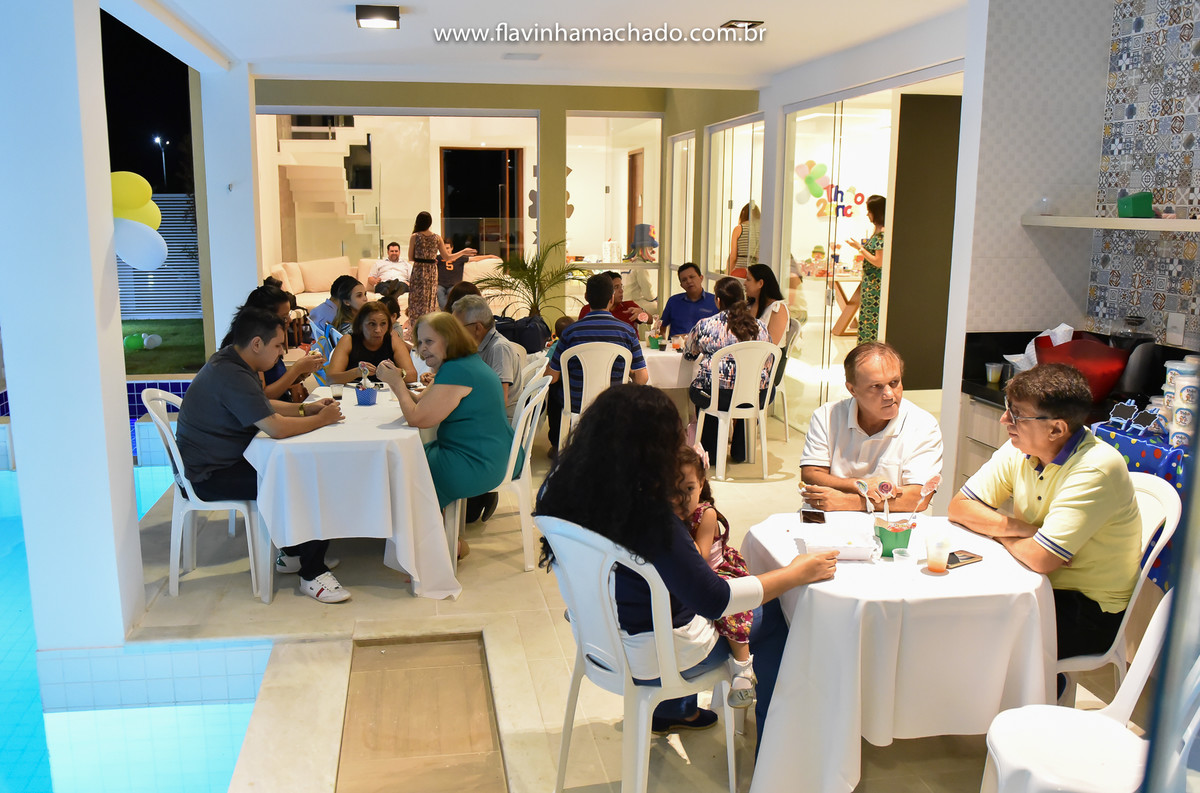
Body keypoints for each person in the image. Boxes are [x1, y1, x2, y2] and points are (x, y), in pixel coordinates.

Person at [536, 385, 838, 742]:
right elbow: (714, 599)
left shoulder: (560, 492)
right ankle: (777, 741)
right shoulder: (650, 518)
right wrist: (795, 573)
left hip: (598, 640)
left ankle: (675, 711)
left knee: (676, 594)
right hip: (656, 657)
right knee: (772, 613)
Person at [947, 364, 1142, 662]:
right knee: (954, 609)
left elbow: (1042, 559)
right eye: (1008, 409)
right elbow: (960, 507)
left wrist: (1000, 535)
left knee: (976, 635)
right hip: (1035, 583)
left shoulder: (1095, 468)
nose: (1004, 420)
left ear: (1056, 429)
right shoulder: (1021, 449)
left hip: (1088, 608)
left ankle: (1041, 689)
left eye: (1017, 415)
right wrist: (1023, 530)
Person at [175, 308, 349, 603]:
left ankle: (294, 554)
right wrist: (321, 420)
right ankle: (312, 574)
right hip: (210, 476)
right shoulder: (231, 374)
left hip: (220, 463)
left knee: (300, 470)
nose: (282, 353)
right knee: (309, 480)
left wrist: (307, 409)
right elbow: (276, 427)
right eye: (278, 346)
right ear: (257, 343)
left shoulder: (231, 362)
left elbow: (261, 405)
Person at [376, 312, 513, 558]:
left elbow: (418, 418)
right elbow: (424, 403)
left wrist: (396, 383)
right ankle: (434, 537)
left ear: (450, 339)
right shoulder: (462, 363)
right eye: (420, 342)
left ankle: (439, 546)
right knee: (409, 460)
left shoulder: (458, 371)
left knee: (407, 468)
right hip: (492, 451)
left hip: (477, 462)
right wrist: (401, 383)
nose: (422, 349)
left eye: (429, 341)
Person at [799, 342, 943, 511]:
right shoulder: (827, 416)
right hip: (826, 515)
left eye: (894, 382)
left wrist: (847, 501)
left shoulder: (923, 425)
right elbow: (811, 474)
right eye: (876, 386)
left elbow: (918, 498)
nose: (889, 394)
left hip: (892, 523)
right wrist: (861, 485)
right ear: (852, 390)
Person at [676, 445, 756, 706]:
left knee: (730, 611)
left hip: (717, 570)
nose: (683, 498)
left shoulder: (706, 514)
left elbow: (699, 557)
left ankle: (743, 669)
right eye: (674, 490)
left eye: (689, 488)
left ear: (701, 485)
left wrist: (677, 530)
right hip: (693, 575)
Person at [546, 273, 648, 457]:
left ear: (586, 298)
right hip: (614, 401)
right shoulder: (627, 332)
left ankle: (557, 445)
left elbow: (552, 377)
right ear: (611, 298)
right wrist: (629, 372)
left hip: (576, 402)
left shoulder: (570, 332)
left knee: (554, 389)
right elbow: (642, 379)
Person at [683, 276, 772, 467]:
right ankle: (742, 449)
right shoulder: (760, 327)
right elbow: (768, 361)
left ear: (718, 300)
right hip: (755, 396)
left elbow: (689, 354)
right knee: (753, 390)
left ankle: (711, 451)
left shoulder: (706, 325)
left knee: (702, 391)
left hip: (717, 396)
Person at [220, 283, 324, 402]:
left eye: (289, 314)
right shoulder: (250, 347)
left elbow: (277, 380)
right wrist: (296, 369)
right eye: (284, 317)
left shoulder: (268, 339)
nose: (289, 320)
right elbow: (262, 397)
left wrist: (301, 373)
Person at [452, 294, 527, 419]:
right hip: (485, 413)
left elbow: (500, 402)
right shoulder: (479, 345)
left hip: (500, 421)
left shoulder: (499, 348)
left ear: (477, 328)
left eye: (458, 328)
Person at [408, 212, 474, 328]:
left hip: (419, 271)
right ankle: (427, 326)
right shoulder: (437, 238)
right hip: (431, 271)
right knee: (429, 301)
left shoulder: (415, 236)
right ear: (430, 223)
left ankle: (415, 327)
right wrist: (462, 252)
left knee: (416, 301)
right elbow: (447, 257)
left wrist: (423, 258)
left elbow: (410, 257)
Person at [327, 300, 417, 385]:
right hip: (355, 393)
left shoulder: (393, 340)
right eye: (372, 324)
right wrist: (356, 372)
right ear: (360, 325)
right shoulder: (348, 340)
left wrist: (396, 372)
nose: (378, 330)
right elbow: (330, 379)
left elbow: (413, 376)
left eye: (383, 324)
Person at [845, 194, 885, 344]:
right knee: (867, 320)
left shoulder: (882, 234)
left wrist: (859, 248)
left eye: (869, 211)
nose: (868, 215)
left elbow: (878, 261)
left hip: (875, 285)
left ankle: (869, 349)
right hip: (870, 284)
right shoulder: (878, 232)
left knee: (870, 321)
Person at [659, 263, 718, 338]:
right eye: (684, 280)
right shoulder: (673, 301)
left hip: (705, 344)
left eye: (692, 277)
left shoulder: (715, 301)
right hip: (675, 344)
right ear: (681, 285)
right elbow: (662, 327)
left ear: (701, 278)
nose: (689, 281)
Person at [578, 271, 645, 328]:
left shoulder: (629, 307)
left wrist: (642, 313)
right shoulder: (587, 309)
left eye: (621, 287)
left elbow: (648, 320)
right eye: (616, 287)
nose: (621, 291)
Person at [745, 263, 789, 346]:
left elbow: (771, 344)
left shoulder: (777, 308)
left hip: (767, 353)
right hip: (750, 350)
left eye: (748, 279)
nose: (745, 283)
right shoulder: (750, 305)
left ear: (760, 283)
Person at [622, 223, 659, 314]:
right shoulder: (641, 266)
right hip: (634, 303)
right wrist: (657, 298)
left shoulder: (627, 262)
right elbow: (648, 293)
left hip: (623, 302)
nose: (653, 251)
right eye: (651, 248)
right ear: (645, 248)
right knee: (659, 307)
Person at [727, 202, 760, 279]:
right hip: (754, 273)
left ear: (743, 214)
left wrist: (727, 274)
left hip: (740, 271)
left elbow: (733, 257)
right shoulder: (761, 231)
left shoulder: (739, 229)